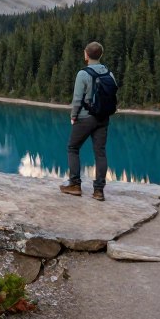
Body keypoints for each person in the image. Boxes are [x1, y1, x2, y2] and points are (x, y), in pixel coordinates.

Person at [61, 41, 114, 201]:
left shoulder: (83, 74)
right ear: (100, 54)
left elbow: (77, 99)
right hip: (103, 118)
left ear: (86, 54)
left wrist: (73, 116)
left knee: (73, 148)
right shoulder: (108, 73)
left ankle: (75, 185)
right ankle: (99, 191)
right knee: (100, 153)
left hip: (85, 117)